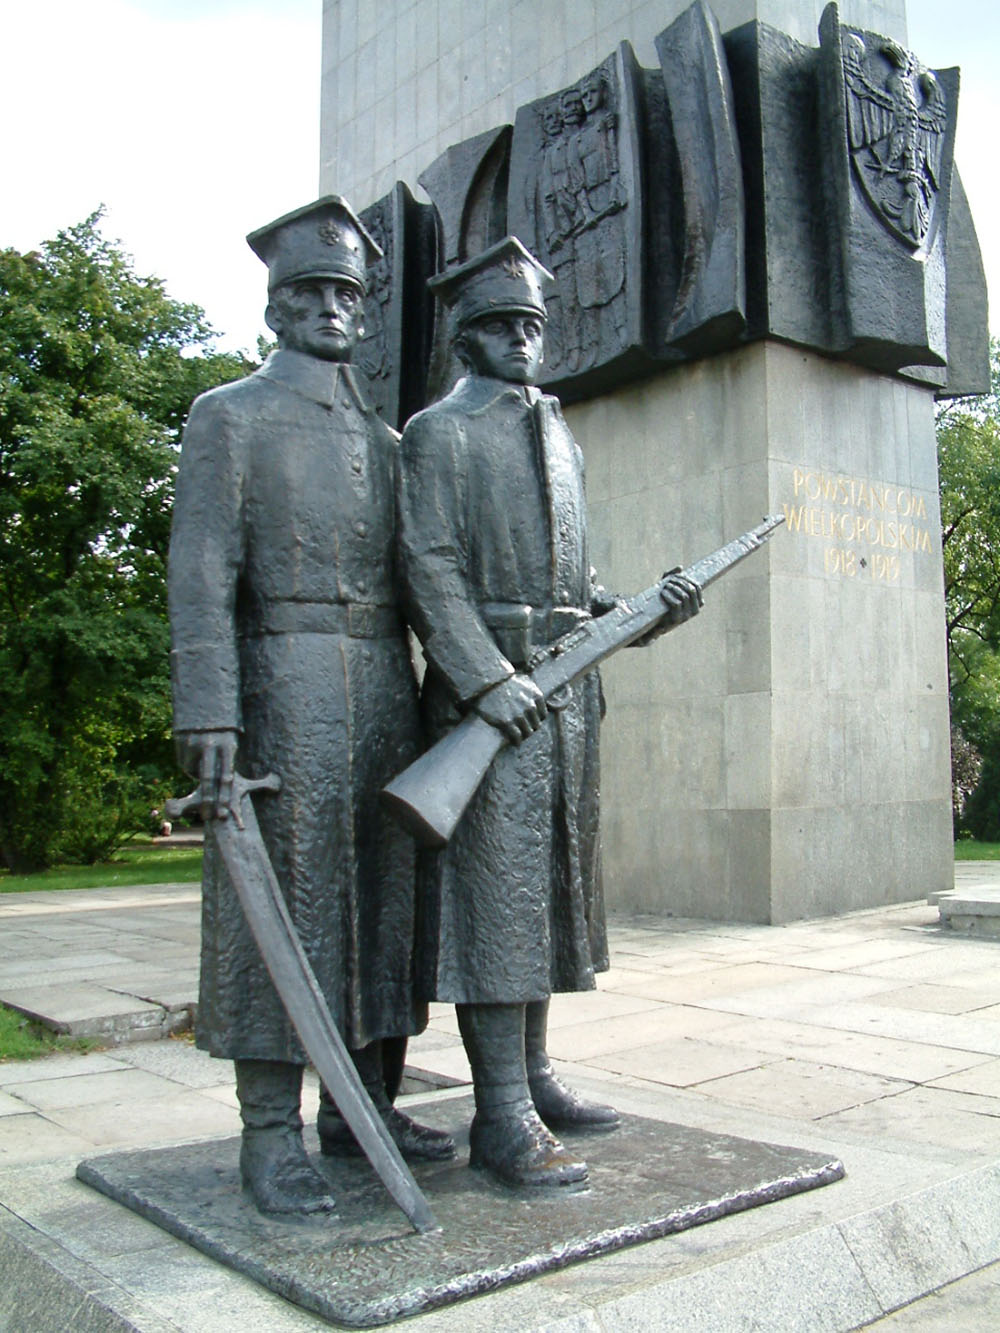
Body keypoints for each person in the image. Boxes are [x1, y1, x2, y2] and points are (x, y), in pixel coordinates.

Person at [167, 196, 453, 1218]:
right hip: (276, 685)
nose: (329, 307)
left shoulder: (387, 440)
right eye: (308, 291)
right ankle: (268, 1133)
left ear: (364, 313)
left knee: (385, 904)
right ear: (275, 309)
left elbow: (427, 579)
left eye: (345, 292)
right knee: (277, 912)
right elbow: (200, 575)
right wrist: (209, 709)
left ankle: (362, 1109)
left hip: (382, 687)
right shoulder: (228, 416)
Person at [397, 237, 701, 1188]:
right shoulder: (439, 433)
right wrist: (486, 678)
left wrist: (641, 614)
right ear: (467, 338)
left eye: (532, 324)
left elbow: (582, 581)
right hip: (495, 701)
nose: (523, 339)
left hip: (566, 698)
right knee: (497, 905)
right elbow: (428, 566)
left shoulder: (560, 433)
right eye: (502, 325)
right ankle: (498, 1115)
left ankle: (532, 1077)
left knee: (553, 898)